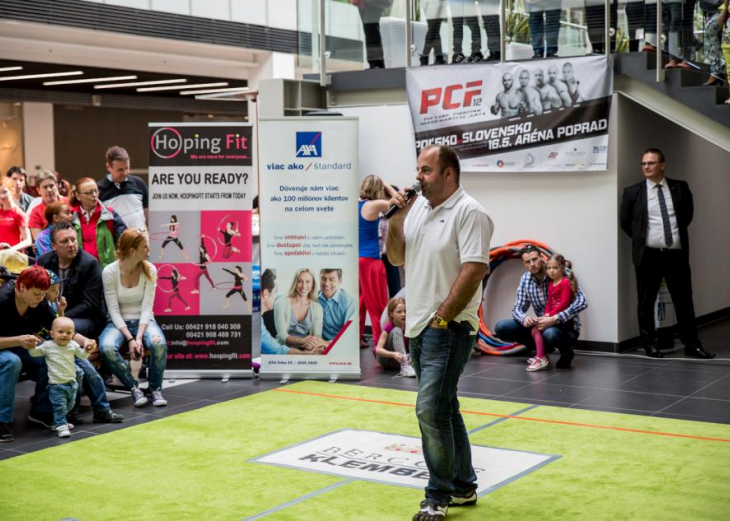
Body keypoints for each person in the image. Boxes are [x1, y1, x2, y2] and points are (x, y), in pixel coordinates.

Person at [386, 145, 493, 520]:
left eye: (426, 170)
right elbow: (397, 258)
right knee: (445, 408)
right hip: (418, 327)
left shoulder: (470, 212)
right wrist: (397, 218)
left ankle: (438, 496)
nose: (418, 177)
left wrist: (443, 317)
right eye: (417, 169)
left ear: (448, 173)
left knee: (429, 410)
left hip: (448, 328)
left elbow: (474, 269)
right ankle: (464, 487)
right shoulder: (416, 210)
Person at [620, 148, 715, 359]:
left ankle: (692, 345)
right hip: (648, 256)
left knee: (684, 301)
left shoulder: (679, 188)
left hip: (675, 255)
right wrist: (646, 241)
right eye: (643, 163)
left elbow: (686, 217)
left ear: (662, 164)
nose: (646, 167)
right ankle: (650, 345)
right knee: (645, 302)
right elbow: (627, 224)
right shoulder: (632, 192)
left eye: (651, 163)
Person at [36, 222, 124, 425]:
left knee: (63, 338)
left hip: (86, 320)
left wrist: (61, 318)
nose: (71, 244)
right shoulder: (43, 261)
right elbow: (38, 297)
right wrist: (57, 319)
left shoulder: (90, 264)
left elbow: (91, 304)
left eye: (73, 239)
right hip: (54, 320)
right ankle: (92, 408)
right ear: (53, 245)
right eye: (64, 241)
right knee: (74, 355)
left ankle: (73, 408)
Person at [0, 266, 97, 442]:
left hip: (21, 345)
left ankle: (41, 412)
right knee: (11, 362)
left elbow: (59, 326)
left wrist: (84, 341)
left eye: (43, 294)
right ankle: (2, 421)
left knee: (48, 356)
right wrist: (18, 340)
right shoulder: (2, 301)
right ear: (22, 287)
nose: (41, 297)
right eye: (37, 293)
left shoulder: (39, 302)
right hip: (6, 349)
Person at [100, 229, 169, 407]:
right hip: (118, 322)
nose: (148, 250)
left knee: (158, 343)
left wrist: (138, 337)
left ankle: (155, 389)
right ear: (132, 251)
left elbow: (147, 307)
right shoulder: (110, 272)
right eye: (144, 247)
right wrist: (129, 338)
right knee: (106, 347)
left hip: (144, 321)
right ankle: (133, 387)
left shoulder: (150, 269)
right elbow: (113, 310)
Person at [494, 245, 588, 369]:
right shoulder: (525, 279)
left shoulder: (560, 272)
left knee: (550, 334)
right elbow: (517, 308)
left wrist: (555, 318)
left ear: (541, 258)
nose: (532, 264)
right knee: (501, 327)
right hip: (543, 325)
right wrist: (524, 319)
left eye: (535, 259)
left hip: (565, 326)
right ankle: (542, 353)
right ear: (524, 264)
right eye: (528, 262)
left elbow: (582, 301)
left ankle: (566, 351)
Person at [26, 317, 93, 438]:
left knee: (70, 405)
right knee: (59, 406)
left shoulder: (72, 345)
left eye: (68, 333)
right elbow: (35, 353)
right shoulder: (47, 346)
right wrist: (32, 346)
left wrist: (87, 349)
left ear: (73, 335)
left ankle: (58, 422)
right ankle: (61, 426)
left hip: (72, 383)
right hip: (56, 385)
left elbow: (82, 356)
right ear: (52, 333)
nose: (64, 335)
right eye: (60, 332)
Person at [359, 175, 396, 349]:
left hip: (356, 261)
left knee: (359, 304)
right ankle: (379, 345)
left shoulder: (354, 205)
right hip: (371, 262)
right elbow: (398, 202)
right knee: (378, 306)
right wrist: (387, 184)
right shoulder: (373, 205)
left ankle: (355, 340)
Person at [527, 254, 579, 372]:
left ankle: (542, 358)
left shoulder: (565, 282)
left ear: (562, 268)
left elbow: (564, 304)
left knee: (546, 332)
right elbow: (549, 302)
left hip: (563, 322)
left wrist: (551, 315)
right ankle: (540, 356)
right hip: (551, 316)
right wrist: (546, 314)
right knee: (535, 329)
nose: (552, 271)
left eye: (555, 268)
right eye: (549, 268)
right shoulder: (551, 283)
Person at [260, 269, 322, 355]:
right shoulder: (280, 302)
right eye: (299, 281)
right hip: (283, 349)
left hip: (307, 349)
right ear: (295, 283)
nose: (304, 286)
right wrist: (301, 341)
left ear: (313, 284)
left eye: (308, 282)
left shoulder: (317, 307)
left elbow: (317, 335)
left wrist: (311, 344)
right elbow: (282, 336)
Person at [69, 177, 127, 268]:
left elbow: (124, 239)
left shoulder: (110, 214)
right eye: (89, 192)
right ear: (78, 196)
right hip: (80, 269)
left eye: (96, 191)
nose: (94, 195)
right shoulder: (70, 217)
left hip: (106, 269)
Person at [97, 146, 149, 233]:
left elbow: (147, 214)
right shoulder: (99, 190)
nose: (125, 173)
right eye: (120, 170)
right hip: (117, 244)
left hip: (142, 242)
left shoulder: (139, 183)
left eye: (127, 168)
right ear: (108, 167)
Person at [374, 297, 416, 377]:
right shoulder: (388, 327)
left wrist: (413, 356)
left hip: (400, 360)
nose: (403, 314)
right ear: (391, 313)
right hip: (387, 360)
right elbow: (378, 350)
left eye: (405, 311)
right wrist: (393, 354)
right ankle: (405, 367)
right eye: (399, 312)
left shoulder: (409, 326)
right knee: (397, 330)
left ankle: (408, 365)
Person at [318, 268, 357, 341]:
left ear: (340, 281)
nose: (326, 283)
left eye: (332, 279)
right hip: (318, 343)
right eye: (323, 278)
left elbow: (348, 334)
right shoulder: (313, 298)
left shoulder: (349, 302)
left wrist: (328, 344)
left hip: (341, 344)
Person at [28, 170, 67, 241]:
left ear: (57, 186)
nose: (49, 190)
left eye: (51, 186)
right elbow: (39, 241)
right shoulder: (35, 213)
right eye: (45, 187)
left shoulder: (68, 203)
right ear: (38, 190)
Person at [352, 0, 390, 69]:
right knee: (369, 31)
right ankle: (376, 63)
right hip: (364, 3)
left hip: (373, 3)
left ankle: (376, 63)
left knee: (371, 29)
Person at [0, 177, 32, 253]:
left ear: (12, 191)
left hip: (14, 257)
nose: (1, 196)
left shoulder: (19, 213)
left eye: (4, 192)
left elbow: (28, 240)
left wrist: (11, 249)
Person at [421, 0, 448, 65]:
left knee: (434, 30)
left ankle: (437, 57)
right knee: (433, 30)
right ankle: (426, 57)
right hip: (431, 3)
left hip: (435, 3)